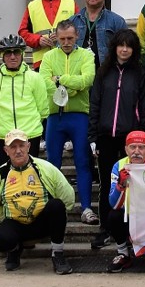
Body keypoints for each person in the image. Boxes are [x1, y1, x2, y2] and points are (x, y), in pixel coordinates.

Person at [88, 29, 145, 249]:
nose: (124, 50)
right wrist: (92, 135)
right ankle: (105, 227)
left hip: (130, 137)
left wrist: (143, 134)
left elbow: (144, 106)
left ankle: (135, 226)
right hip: (106, 136)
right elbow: (94, 104)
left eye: (129, 46)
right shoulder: (103, 72)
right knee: (107, 182)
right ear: (115, 47)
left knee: (133, 183)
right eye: (121, 45)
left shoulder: (139, 73)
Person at [0, 129, 75, 274]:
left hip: (42, 223)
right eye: (13, 147)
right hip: (17, 225)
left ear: (28, 147)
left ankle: (58, 254)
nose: (18, 151)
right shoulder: (0, 175)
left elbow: (67, 197)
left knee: (56, 205)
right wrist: (7, 217)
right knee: (1, 240)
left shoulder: (45, 168)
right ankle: (14, 249)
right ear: (6, 150)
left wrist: (57, 218)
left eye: (21, 146)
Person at [39, 20, 98, 225]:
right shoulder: (48, 56)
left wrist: (61, 80)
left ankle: (87, 208)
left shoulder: (86, 55)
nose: (66, 43)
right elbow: (44, 84)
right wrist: (72, 84)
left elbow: (87, 80)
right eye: (62, 39)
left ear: (77, 36)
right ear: (56, 37)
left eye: (70, 39)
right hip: (55, 117)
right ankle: (54, 208)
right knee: (52, 165)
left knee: (82, 162)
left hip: (79, 115)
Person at [105, 131, 145, 272]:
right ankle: (123, 254)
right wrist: (121, 184)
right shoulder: (118, 166)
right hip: (128, 213)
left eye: (141, 147)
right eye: (133, 147)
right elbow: (114, 204)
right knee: (113, 216)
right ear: (126, 149)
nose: (136, 151)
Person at [0, 34, 48, 168]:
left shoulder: (35, 78)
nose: (12, 56)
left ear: (22, 54)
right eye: (8, 53)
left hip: (30, 134)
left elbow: (43, 108)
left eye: (16, 52)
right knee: (4, 177)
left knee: (30, 176)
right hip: (5, 135)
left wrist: (32, 125)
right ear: (2, 55)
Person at [18, 0, 78, 70]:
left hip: (67, 59)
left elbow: (80, 29)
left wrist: (61, 37)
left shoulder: (70, 3)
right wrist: (38, 40)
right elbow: (23, 32)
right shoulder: (32, 6)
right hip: (41, 62)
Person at [70, 0, 127, 70]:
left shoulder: (117, 21)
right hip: (78, 75)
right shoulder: (72, 21)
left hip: (107, 74)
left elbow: (126, 48)